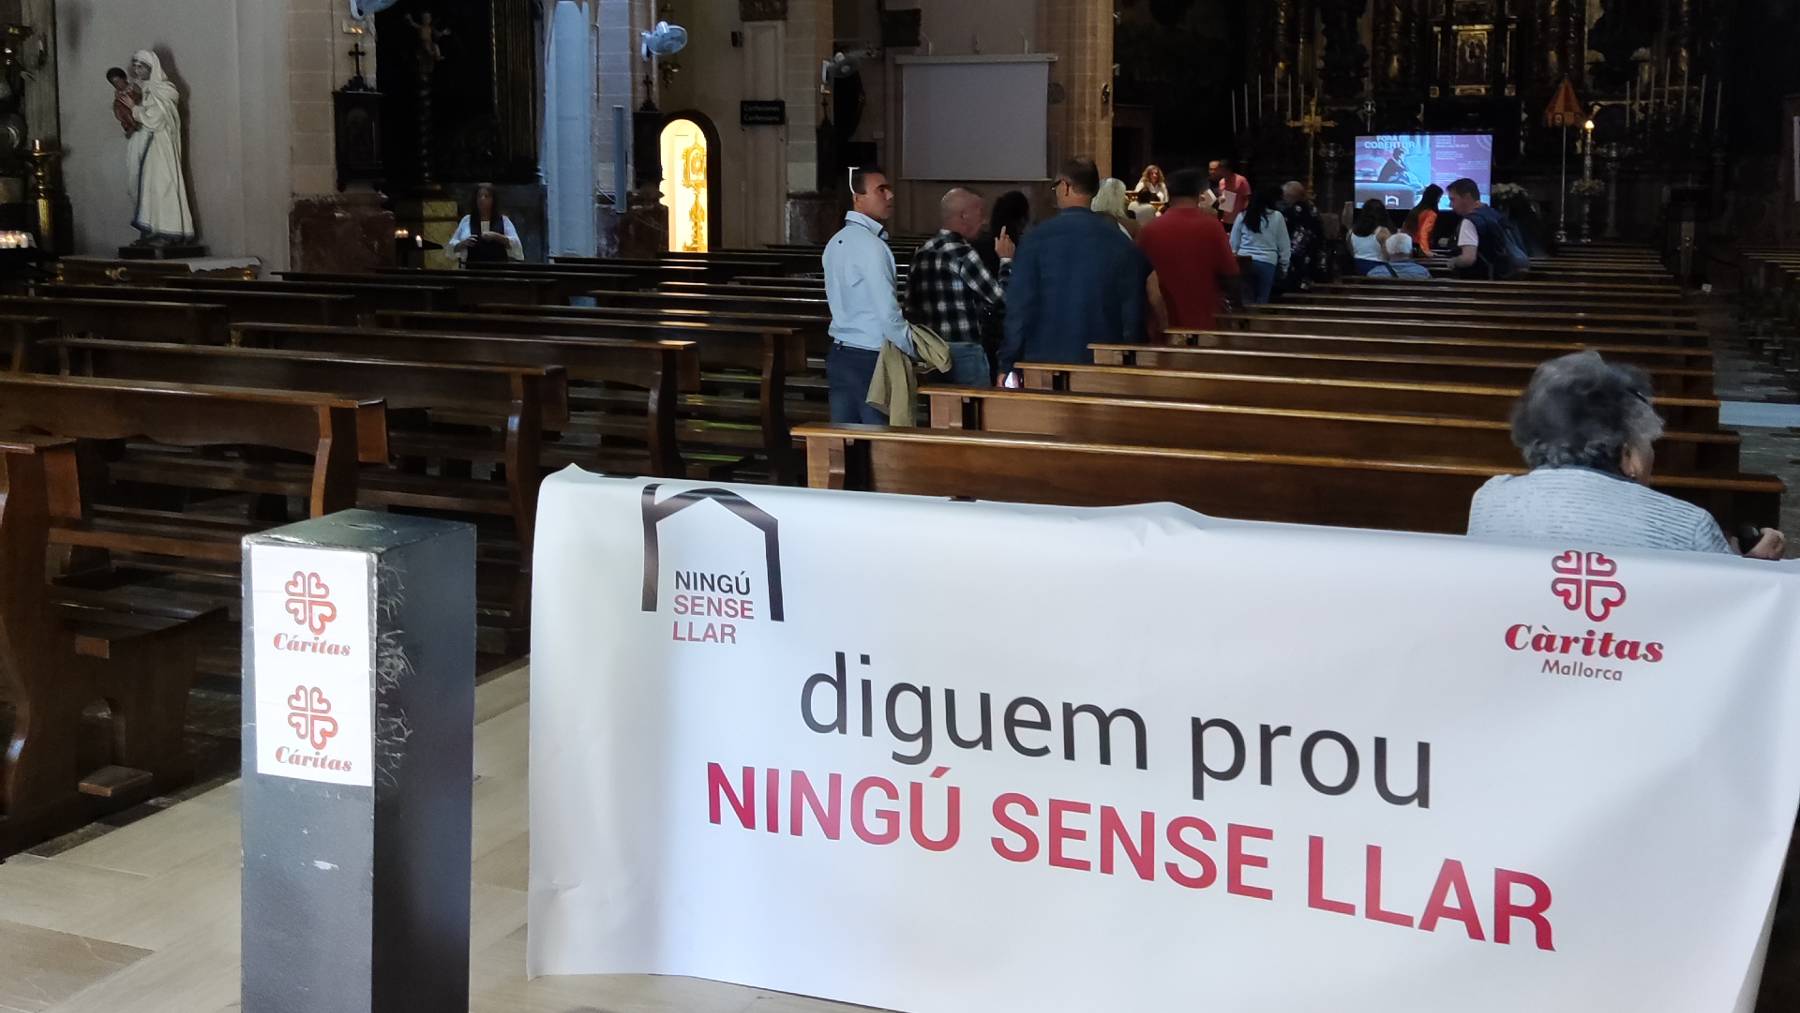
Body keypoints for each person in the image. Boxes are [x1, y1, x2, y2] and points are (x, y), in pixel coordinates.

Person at [1469, 351, 1786, 558]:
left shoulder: (1490, 498)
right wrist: (1755, 564)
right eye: (1649, 443)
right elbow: (1726, 607)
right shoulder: (1688, 525)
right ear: (1627, 456)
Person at [998, 157, 1149, 377]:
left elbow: (1019, 308)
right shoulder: (1121, 242)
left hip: (1043, 365)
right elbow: (1132, 314)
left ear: (1065, 186)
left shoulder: (1035, 240)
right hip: (1103, 365)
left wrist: (1007, 363)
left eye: (1056, 186)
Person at [824, 166, 911, 424]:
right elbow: (887, 312)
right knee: (880, 445)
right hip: (870, 358)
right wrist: (913, 348)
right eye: (881, 190)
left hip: (841, 353)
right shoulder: (872, 246)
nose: (890, 196)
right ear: (857, 198)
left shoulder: (835, 242)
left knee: (845, 442)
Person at [905, 187, 1015, 387]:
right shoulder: (963, 253)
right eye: (980, 214)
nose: (984, 222)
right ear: (964, 215)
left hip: (931, 351)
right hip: (965, 352)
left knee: (941, 413)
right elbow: (1001, 299)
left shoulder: (922, 251)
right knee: (973, 414)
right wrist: (1006, 261)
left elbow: (910, 307)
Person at [1137, 168, 1240, 331]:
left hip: (1160, 326)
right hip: (1203, 323)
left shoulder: (1148, 230)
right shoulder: (1212, 227)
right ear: (1199, 193)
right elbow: (1230, 273)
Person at [122, 50, 195, 245]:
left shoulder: (165, 89)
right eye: (135, 66)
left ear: (152, 68)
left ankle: (168, 229)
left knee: (163, 185)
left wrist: (134, 109)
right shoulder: (144, 89)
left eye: (141, 67)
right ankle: (153, 228)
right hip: (147, 145)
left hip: (160, 146)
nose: (137, 70)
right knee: (149, 188)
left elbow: (156, 118)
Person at [1447, 177, 1527, 279]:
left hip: (1481, 281)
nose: (1450, 205)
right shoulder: (1494, 214)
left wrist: (1453, 262)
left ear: (1467, 197)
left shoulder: (1469, 221)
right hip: (1502, 276)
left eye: (1452, 199)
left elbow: (1468, 259)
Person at [1229, 185, 1291, 305]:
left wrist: (1234, 258)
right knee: (1262, 300)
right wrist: (1284, 265)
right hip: (1267, 261)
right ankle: (1259, 322)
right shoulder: (1277, 216)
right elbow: (1284, 243)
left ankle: (1247, 322)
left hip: (1245, 260)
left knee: (1246, 299)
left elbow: (1233, 242)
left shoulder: (1243, 215)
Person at [449, 183, 525, 264]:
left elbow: (517, 245)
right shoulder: (466, 220)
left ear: (493, 200)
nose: (482, 199)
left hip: (499, 271)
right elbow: (451, 248)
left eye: (486, 196)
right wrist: (463, 243)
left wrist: (497, 237)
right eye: (479, 196)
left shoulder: (503, 220)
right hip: (472, 271)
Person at [1278, 180, 1326, 291]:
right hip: (1314, 251)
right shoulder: (1313, 208)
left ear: (1290, 197)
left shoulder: (1291, 211)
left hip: (1298, 253)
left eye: (1285, 197)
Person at [1348, 198, 1392, 275]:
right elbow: (1388, 256)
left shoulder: (1350, 232)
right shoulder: (1383, 232)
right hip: (1379, 271)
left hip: (1356, 269)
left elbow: (1351, 252)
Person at [1208, 158, 1252, 227]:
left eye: (1224, 171)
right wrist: (1220, 200)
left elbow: (1247, 198)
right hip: (1225, 219)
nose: (1222, 173)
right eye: (1221, 171)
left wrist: (1244, 214)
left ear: (1229, 170)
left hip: (1239, 219)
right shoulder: (1221, 182)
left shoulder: (1241, 180)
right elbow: (1221, 199)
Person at [1405, 184, 1443, 254]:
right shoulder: (1431, 213)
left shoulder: (1415, 210)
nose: (1439, 201)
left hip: (1408, 247)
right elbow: (1424, 232)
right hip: (1421, 249)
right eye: (1439, 198)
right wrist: (1426, 251)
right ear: (1435, 198)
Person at [107, 68, 139, 137]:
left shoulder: (133, 87)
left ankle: (135, 124)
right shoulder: (118, 97)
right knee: (119, 105)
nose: (117, 85)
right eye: (114, 84)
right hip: (129, 117)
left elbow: (140, 98)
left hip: (138, 110)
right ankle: (131, 126)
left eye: (118, 82)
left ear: (124, 78)